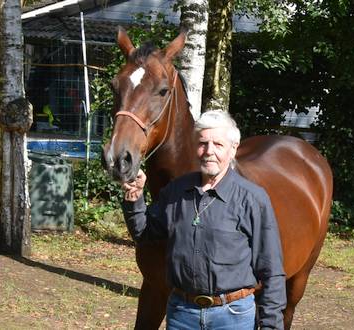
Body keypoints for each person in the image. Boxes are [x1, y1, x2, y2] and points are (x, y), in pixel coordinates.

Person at [121, 110, 286, 329]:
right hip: (182, 314)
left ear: (233, 149)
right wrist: (135, 198)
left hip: (233, 316)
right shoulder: (176, 191)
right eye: (202, 143)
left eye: (218, 145)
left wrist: (271, 325)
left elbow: (272, 270)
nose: (209, 152)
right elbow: (144, 233)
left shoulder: (252, 199)